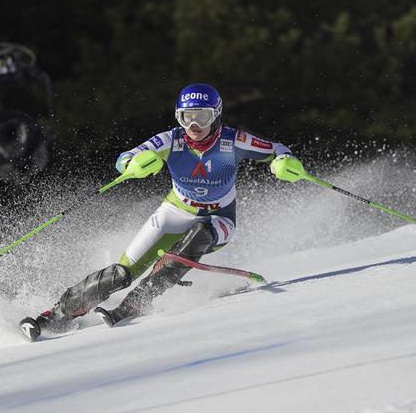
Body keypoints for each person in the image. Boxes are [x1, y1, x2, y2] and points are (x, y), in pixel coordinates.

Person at [23, 83, 305, 339]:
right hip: (174, 212)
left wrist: (285, 162)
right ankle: (56, 316)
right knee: (121, 274)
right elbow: (125, 158)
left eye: (202, 117)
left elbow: (276, 148)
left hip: (219, 218)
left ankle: (136, 303)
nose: (194, 125)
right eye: (186, 117)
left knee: (199, 235)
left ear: (216, 115)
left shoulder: (234, 141)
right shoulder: (171, 141)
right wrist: (133, 164)